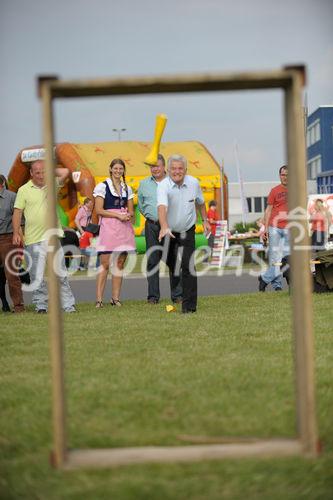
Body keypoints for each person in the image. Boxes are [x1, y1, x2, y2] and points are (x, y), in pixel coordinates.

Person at [12, 160, 76, 313]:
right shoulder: (23, 190)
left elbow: (65, 171)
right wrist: (16, 232)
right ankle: (41, 306)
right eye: (38, 172)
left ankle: (68, 306)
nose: (41, 175)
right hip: (33, 240)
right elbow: (17, 212)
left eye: (43, 172)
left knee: (61, 274)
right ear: (31, 173)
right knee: (37, 277)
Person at [157, 154, 210, 313]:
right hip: (169, 231)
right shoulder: (163, 185)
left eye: (180, 168)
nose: (177, 172)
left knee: (188, 266)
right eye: (173, 168)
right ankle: (176, 270)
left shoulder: (194, 183)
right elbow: (161, 207)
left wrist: (205, 220)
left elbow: (200, 202)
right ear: (168, 170)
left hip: (187, 230)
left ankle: (189, 306)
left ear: (186, 170)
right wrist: (164, 226)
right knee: (168, 260)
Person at [138, 154, 182, 304]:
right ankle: (153, 297)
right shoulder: (143, 184)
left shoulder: (173, 182)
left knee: (173, 260)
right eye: (152, 166)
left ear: (164, 167)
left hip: (171, 226)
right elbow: (141, 206)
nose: (155, 169)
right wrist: (152, 217)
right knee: (152, 260)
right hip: (152, 226)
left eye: (157, 165)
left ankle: (177, 296)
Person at [93, 158, 135, 308]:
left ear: (123, 171)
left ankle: (115, 298)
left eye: (121, 169)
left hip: (123, 227)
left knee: (119, 263)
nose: (118, 171)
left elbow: (131, 210)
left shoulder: (127, 188)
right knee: (105, 264)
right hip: (108, 227)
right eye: (115, 168)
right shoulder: (102, 187)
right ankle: (99, 300)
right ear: (110, 169)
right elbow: (99, 210)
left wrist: (128, 215)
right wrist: (117, 215)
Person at [258, 165, 289, 292]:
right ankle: (277, 286)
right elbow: (268, 209)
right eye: (283, 174)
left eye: (287, 175)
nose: (285, 177)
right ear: (279, 176)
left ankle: (264, 278)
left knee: (288, 258)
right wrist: (265, 228)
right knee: (274, 258)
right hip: (274, 227)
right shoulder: (274, 191)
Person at [0, 174, 25, 313]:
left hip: (8, 238)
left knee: (11, 275)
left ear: (2, 183)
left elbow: (20, 220)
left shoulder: (12, 197)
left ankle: (18, 306)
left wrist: (21, 240)